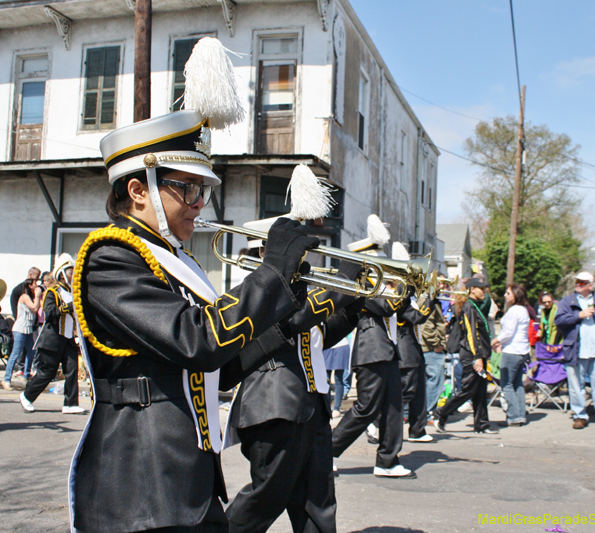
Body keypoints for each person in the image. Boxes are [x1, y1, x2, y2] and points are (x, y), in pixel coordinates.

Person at [68, 36, 321, 533]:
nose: (199, 202)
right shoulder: (111, 256)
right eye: (187, 187)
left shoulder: (175, 260)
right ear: (137, 190)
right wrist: (269, 275)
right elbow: (197, 342)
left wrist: (285, 322)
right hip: (142, 483)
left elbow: (217, 371)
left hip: (188, 477)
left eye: (202, 189)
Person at [225, 183, 364, 533]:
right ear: (265, 254)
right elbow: (295, 320)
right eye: (295, 252)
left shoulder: (298, 292)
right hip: (273, 407)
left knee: (318, 505)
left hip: (310, 408)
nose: (303, 260)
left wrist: (356, 301)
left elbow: (317, 336)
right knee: (265, 498)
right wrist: (342, 286)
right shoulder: (251, 294)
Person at [332, 215, 417, 478]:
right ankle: (326, 451)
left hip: (387, 349)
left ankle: (388, 460)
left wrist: (408, 288)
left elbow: (402, 313)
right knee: (366, 407)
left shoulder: (382, 284)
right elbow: (385, 307)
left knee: (392, 406)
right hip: (371, 350)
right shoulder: (362, 284)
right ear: (366, 259)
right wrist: (404, 287)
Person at [19, 254, 85, 414]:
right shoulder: (52, 292)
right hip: (52, 339)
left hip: (68, 339)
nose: (73, 274)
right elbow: (50, 313)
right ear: (62, 274)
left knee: (72, 371)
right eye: (70, 271)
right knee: (47, 372)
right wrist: (69, 307)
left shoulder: (72, 292)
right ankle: (27, 396)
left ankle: (70, 404)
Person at [433, 277, 498, 434]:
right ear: (471, 290)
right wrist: (477, 357)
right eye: (480, 288)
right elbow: (471, 334)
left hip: (478, 353)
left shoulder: (475, 306)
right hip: (471, 354)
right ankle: (441, 413)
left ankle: (481, 423)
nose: (484, 292)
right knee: (468, 389)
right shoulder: (469, 306)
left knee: (481, 390)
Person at [554, 272, 595, 431]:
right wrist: (579, 315)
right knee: (576, 387)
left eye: (582, 282)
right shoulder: (567, 301)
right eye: (577, 281)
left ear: (590, 285)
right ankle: (579, 416)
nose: (578, 284)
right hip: (575, 350)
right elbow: (559, 321)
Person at [391, 243, 434, 443]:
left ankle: (418, 430)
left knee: (419, 391)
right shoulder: (399, 295)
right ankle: (379, 424)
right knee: (406, 390)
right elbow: (416, 317)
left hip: (413, 344)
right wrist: (430, 300)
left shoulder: (407, 294)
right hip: (404, 345)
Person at [491, 283, 531, 427]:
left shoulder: (514, 311)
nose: (505, 295)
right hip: (522, 351)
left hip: (512, 351)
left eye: (508, 293)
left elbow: (508, 333)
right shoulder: (523, 310)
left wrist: (494, 342)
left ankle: (514, 416)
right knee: (517, 384)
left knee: (506, 384)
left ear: (516, 295)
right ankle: (520, 415)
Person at [1, 277, 42, 390]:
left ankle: (27, 374)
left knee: (31, 351)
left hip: (28, 328)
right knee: (16, 353)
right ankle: (6, 379)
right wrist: (38, 296)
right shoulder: (24, 297)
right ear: (30, 286)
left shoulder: (31, 297)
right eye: (35, 284)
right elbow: (34, 307)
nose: (37, 286)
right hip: (20, 328)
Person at [420, 278, 448, 415]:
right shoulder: (429, 301)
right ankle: (428, 411)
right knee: (435, 381)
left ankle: (424, 411)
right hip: (430, 348)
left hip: (428, 347)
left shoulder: (430, 301)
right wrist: (437, 344)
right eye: (439, 284)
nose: (442, 287)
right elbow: (427, 327)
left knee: (429, 381)